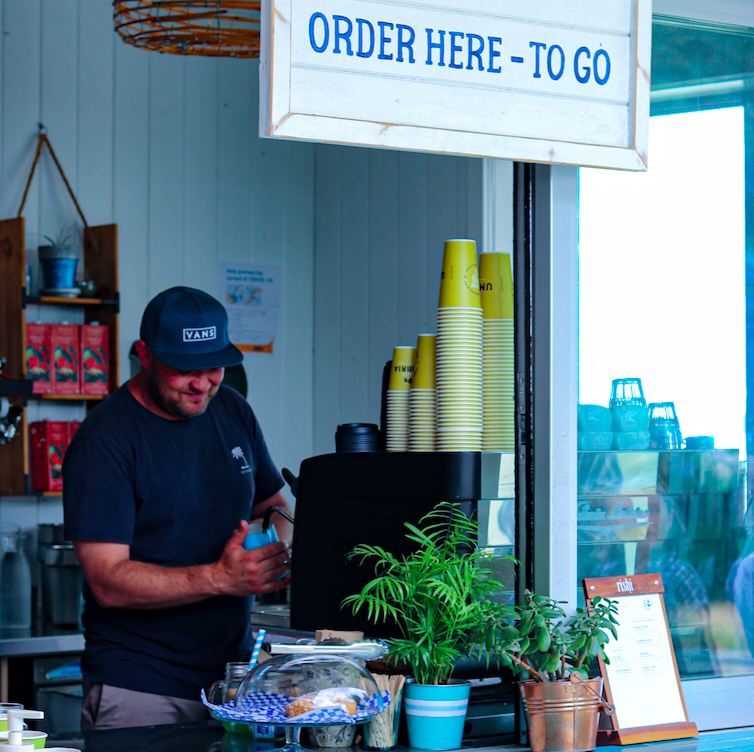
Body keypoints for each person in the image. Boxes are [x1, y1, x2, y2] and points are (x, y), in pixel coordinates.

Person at [63, 286, 293, 730]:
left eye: (214, 367)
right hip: (141, 689)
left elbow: (275, 505)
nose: (202, 382)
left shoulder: (232, 410)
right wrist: (220, 578)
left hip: (232, 681)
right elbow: (108, 580)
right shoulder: (106, 439)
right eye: (185, 368)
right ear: (145, 355)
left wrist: (270, 551)